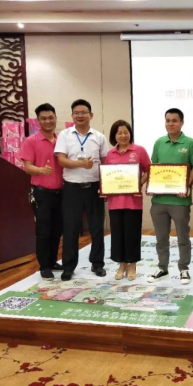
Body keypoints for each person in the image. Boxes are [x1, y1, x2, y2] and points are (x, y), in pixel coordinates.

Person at [55, 99, 110, 281]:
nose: (80, 116)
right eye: (76, 113)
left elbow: (106, 162)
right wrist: (80, 164)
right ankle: (68, 266)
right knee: (70, 228)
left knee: (97, 227)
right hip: (72, 189)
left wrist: (107, 186)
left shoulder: (99, 137)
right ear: (72, 116)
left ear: (91, 115)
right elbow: (61, 160)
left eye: (84, 112)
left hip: (94, 188)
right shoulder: (64, 135)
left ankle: (98, 264)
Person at [148, 108, 193, 285]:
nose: (170, 124)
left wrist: (186, 184)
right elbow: (155, 167)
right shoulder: (159, 143)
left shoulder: (190, 143)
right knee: (161, 237)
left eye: (174, 120)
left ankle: (184, 268)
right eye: (168, 120)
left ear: (181, 123)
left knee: (183, 237)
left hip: (180, 200)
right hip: (159, 200)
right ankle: (162, 267)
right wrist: (152, 185)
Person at [20, 103, 64, 279]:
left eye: (51, 117)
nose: (48, 121)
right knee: (43, 231)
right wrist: (41, 170)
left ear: (55, 118)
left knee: (57, 230)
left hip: (61, 193)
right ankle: (44, 265)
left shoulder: (62, 140)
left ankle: (53, 261)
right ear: (38, 121)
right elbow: (27, 167)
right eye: (44, 118)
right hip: (42, 193)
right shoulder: (31, 141)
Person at [103, 120, 150, 281]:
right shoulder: (110, 154)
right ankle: (121, 264)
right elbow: (107, 176)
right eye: (119, 133)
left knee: (132, 234)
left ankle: (132, 264)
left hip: (133, 202)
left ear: (130, 134)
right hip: (115, 202)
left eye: (126, 132)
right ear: (114, 135)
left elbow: (148, 170)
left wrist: (139, 184)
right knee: (117, 234)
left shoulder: (139, 151)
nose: (123, 135)